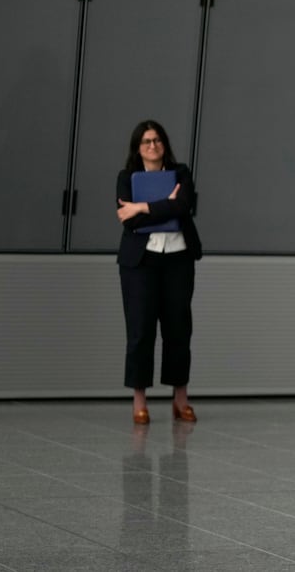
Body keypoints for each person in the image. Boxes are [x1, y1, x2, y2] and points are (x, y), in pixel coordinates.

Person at [116, 120, 202, 425]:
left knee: (178, 328)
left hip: (178, 260)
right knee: (140, 330)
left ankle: (181, 400)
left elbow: (184, 205)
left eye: (157, 140)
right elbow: (129, 222)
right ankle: (140, 402)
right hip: (141, 263)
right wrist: (163, 205)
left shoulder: (181, 173)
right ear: (137, 148)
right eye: (146, 141)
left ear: (164, 144)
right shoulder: (127, 178)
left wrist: (142, 207)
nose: (153, 146)